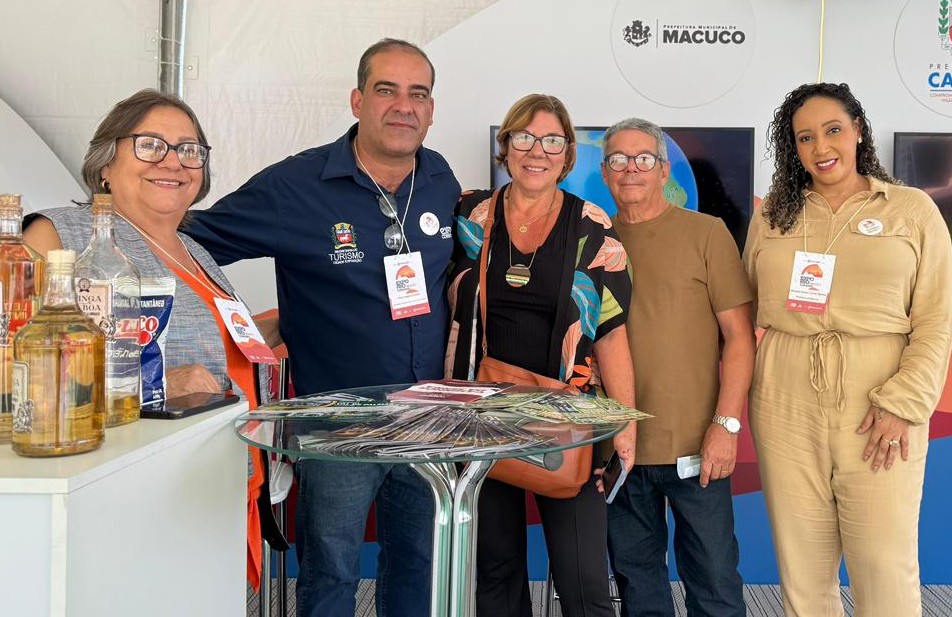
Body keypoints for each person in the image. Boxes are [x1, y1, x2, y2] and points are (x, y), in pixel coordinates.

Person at [182, 39, 460, 617]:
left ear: (431, 110)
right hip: (335, 421)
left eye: (418, 94)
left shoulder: (440, 180)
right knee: (331, 571)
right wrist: (231, 327)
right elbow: (190, 242)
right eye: (386, 90)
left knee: (417, 564)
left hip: (426, 420)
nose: (403, 106)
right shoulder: (297, 185)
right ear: (358, 101)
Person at [21, 88, 280, 590]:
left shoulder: (196, 251)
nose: (173, 161)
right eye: (150, 145)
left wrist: (301, 316)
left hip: (212, 484)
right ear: (105, 163)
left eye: (189, 150)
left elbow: (223, 343)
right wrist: (152, 386)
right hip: (127, 500)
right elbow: (15, 365)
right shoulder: (57, 235)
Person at [744, 82, 952, 616]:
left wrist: (904, 403)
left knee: (884, 567)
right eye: (804, 137)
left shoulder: (911, 210)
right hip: (784, 396)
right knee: (802, 569)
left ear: (858, 129)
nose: (821, 147)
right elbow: (743, 306)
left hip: (879, 398)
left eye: (833, 129)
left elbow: (937, 319)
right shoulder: (773, 215)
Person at [445, 93, 636, 617]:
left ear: (568, 153)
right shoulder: (470, 214)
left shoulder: (592, 224)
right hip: (482, 418)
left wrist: (624, 425)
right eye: (525, 137)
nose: (537, 151)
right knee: (496, 571)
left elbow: (611, 331)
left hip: (567, 418)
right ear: (506, 146)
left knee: (584, 581)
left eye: (552, 140)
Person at [600, 117, 752, 617]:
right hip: (621, 448)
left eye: (643, 158)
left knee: (714, 584)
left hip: (698, 446)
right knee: (638, 588)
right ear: (605, 172)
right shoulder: (593, 241)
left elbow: (740, 338)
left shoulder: (706, 233)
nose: (631, 169)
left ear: (664, 170)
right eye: (618, 159)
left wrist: (726, 426)